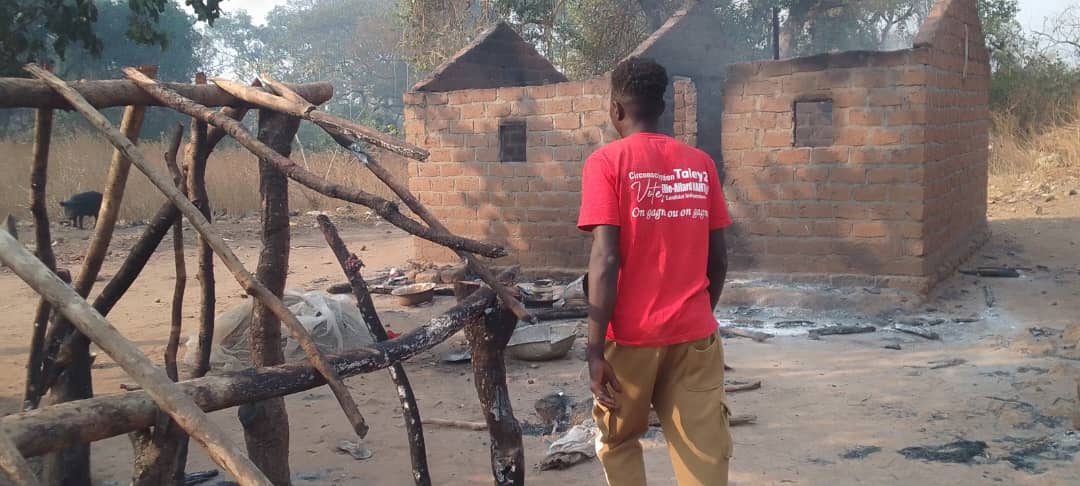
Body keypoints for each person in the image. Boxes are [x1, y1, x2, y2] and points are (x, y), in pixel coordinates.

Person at [577, 56, 733, 486]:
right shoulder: (700, 164)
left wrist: (593, 351)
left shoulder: (606, 163)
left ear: (616, 109)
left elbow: (606, 259)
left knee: (620, 442)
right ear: (662, 107)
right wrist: (698, 312)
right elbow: (718, 258)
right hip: (694, 336)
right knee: (704, 457)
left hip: (629, 340)